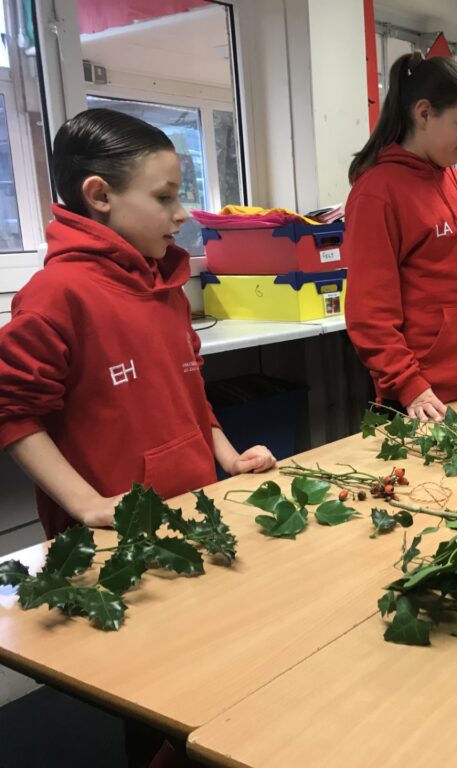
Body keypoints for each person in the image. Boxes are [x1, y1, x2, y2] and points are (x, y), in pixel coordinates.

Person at [0, 109, 276, 540]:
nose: (182, 213)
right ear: (100, 195)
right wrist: (86, 503)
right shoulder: (55, 295)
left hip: (192, 512)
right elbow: (11, 413)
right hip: (115, 541)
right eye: (165, 198)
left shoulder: (165, 284)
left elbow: (188, 393)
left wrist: (228, 456)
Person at [344, 52, 457, 421]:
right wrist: (410, 385)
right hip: (424, 403)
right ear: (423, 113)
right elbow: (369, 315)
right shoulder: (377, 192)